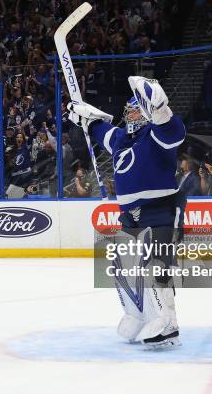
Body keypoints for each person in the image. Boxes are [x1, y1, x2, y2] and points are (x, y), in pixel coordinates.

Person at [67, 76, 184, 348]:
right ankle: (138, 315)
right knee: (123, 268)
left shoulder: (156, 135)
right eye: (127, 111)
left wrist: (161, 110)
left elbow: (173, 130)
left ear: (146, 112)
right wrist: (87, 118)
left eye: (134, 110)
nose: (128, 115)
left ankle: (168, 323)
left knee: (157, 268)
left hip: (160, 210)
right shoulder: (121, 138)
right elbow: (100, 130)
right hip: (130, 215)